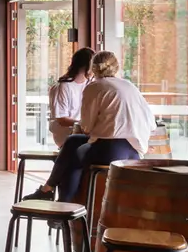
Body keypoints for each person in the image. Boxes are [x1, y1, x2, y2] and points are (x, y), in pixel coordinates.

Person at [28, 51, 156, 204]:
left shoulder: (95, 86)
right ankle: (48, 190)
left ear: (93, 68)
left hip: (109, 152)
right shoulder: (129, 86)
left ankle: (61, 204)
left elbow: (86, 127)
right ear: (116, 67)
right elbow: (151, 123)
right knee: (73, 141)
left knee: (73, 156)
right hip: (134, 151)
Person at [48, 47, 95, 147]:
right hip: (66, 135)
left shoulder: (90, 84)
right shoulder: (63, 86)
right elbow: (62, 119)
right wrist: (84, 125)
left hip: (82, 132)